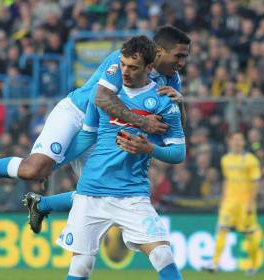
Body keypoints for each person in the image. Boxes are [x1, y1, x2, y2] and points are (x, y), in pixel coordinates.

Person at [22, 25, 190, 233]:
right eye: (179, 56)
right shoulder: (125, 61)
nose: (182, 63)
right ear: (160, 52)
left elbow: (175, 131)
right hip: (83, 115)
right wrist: (143, 122)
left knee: (100, 193)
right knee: (89, 190)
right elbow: (100, 99)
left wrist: (180, 104)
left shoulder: (172, 80)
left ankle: (41, 205)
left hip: (115, 135)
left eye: (185, 57)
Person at [58, 35, 185, 280]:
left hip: (132, 194)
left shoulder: (162, 101)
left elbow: (178, 153)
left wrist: (149, 149)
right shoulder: (103, 96)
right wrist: (54, 164)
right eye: (123, 64)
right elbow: (86, 138)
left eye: (133, 67)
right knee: (80, 267)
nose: (125, 71)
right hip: (90, 192)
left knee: (163, 256)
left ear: (149, 67)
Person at [204, 132, 261, 275]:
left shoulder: (251, 160)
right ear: (230, 142)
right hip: (229, 203)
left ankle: (253, 265)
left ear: (243, 142)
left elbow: (255, 183)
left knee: (249, 234)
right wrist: (223, 199)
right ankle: (214, 264)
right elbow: (227, 181)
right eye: (234, 139)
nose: (236, 142)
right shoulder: (225, 159)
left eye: (239, 139)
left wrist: (250, 203)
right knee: (222, 230)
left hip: (245, 203)